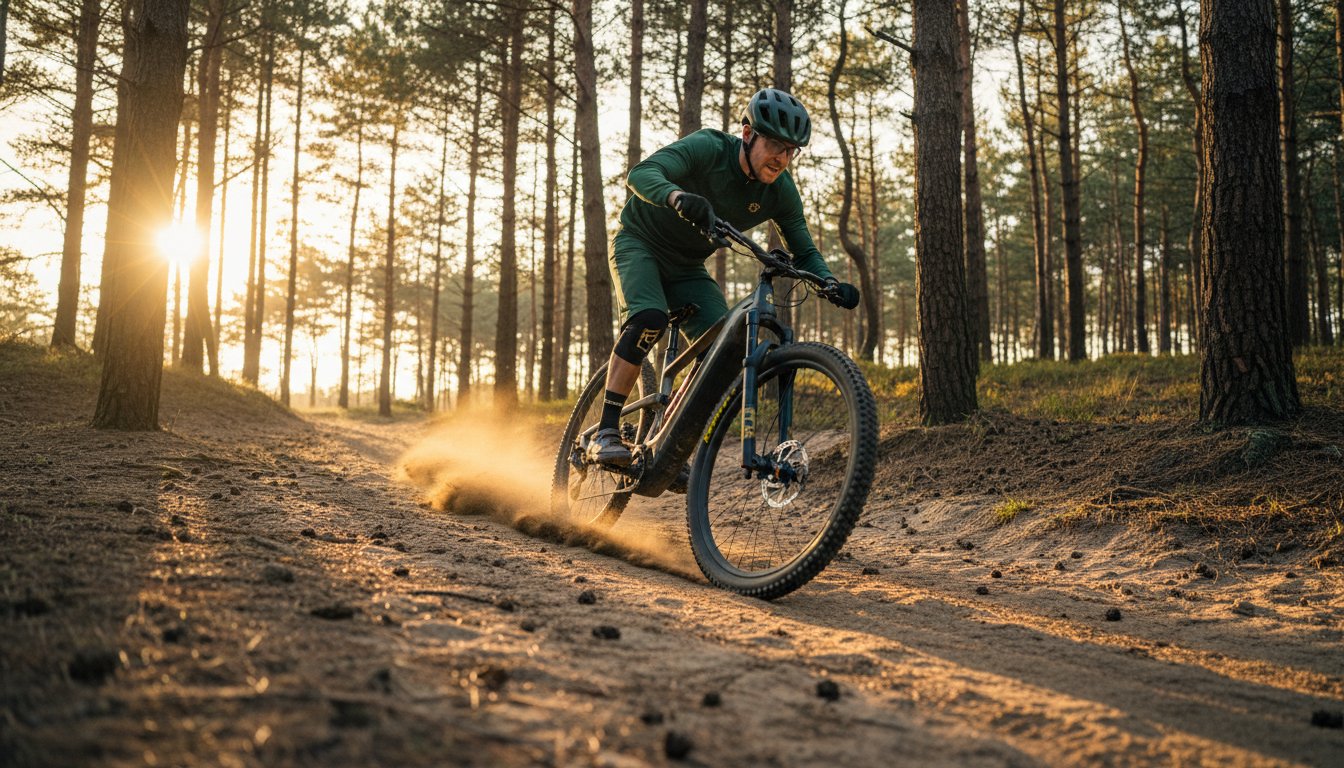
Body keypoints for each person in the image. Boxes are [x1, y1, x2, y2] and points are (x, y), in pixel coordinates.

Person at [589, 88, 860, 470]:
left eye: (791, 150)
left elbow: (804, 249)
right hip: (640, 243)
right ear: (748, 134)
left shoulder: (780, 191)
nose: (782, 158)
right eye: (775, 145)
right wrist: (676, 197)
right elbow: (641, 173)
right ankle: (606, 432)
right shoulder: (708, 148)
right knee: (648, 319)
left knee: (723, 351)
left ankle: (664, 440)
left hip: (688, 266)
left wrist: (828, 282)